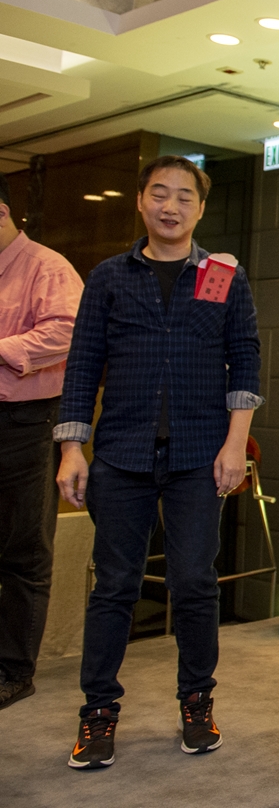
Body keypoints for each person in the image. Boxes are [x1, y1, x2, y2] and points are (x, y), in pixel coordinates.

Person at [53, 155, 262, 770]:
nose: (171, 206)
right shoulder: (109, 277)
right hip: (121, 454)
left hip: (200, 455)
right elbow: (82, 364)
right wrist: (72, 447)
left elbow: (245, 359)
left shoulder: (223, 276)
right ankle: (98, 712)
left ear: (201, 207)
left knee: (194, 582)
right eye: (160, 193)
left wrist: (236, 444)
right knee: (114, 586)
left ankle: (197, 701)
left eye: (184, 196)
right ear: (141, 201)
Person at [0, 171, 83, 711]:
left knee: (23, 549)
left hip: (25, 422)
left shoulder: (46, 266)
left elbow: (68, 329)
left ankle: (14, 670)